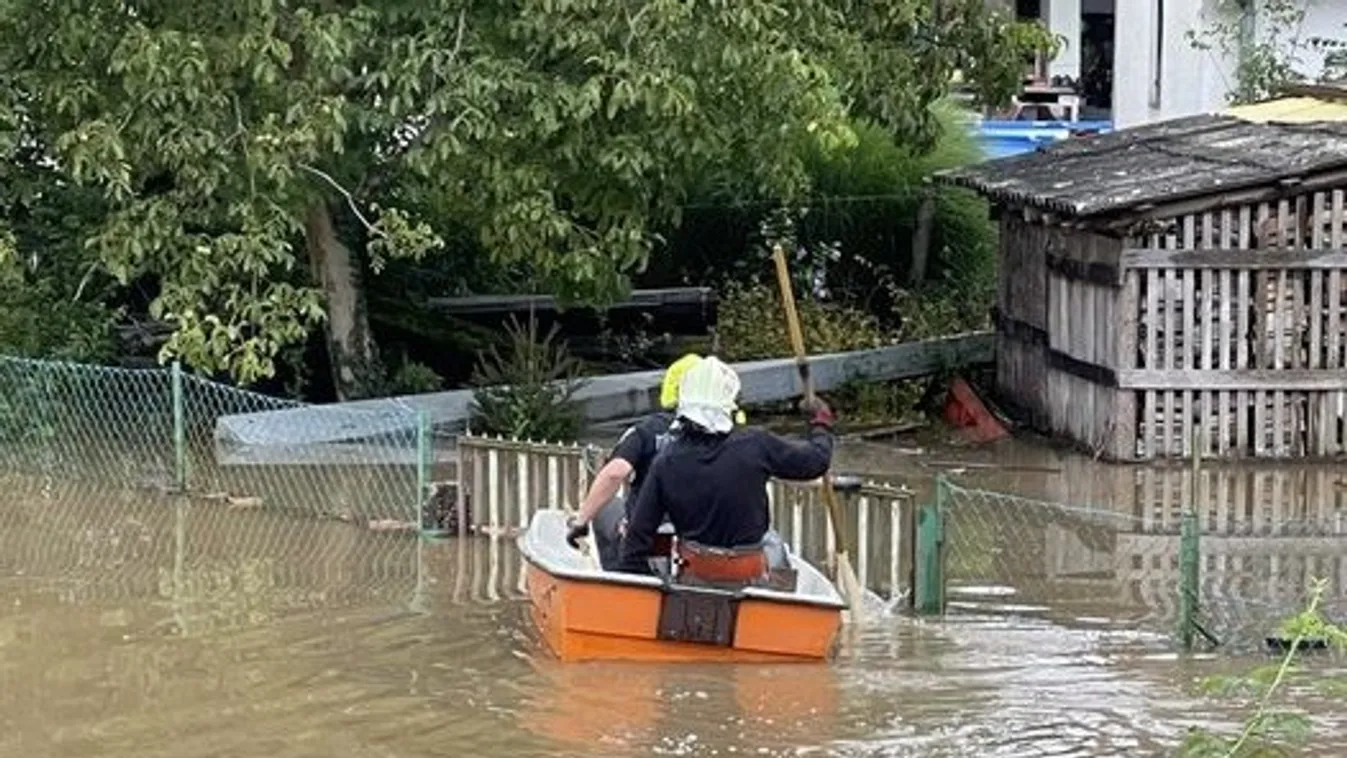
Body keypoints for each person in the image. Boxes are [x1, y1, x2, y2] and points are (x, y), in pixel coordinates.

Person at [616, 356, 835, 581]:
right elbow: (815, 461)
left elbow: (637, 538)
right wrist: (821, 421)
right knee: (776, 550)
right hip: (750, 578)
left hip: (693, 576)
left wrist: (641, 586)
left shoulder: (666, 461)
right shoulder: (755, 445)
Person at [565, 353, 704, 568]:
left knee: (607, 509)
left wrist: (580, 521)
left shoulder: (647, 430)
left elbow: (614, 473)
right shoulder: (726, 437)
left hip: (650, 533)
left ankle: (614, 577)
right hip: (705, 536)